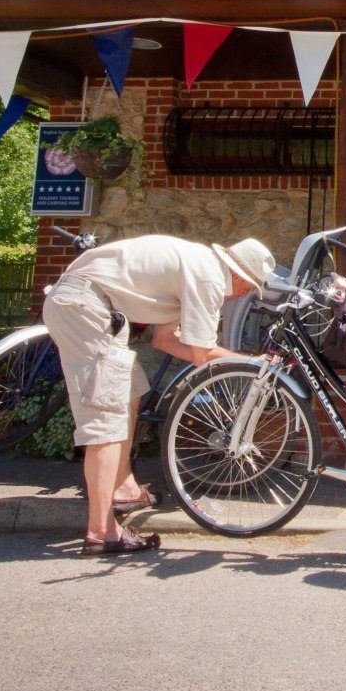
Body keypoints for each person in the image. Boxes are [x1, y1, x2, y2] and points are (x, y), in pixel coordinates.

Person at [41, 232, 275, 555]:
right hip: (85, 307)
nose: (243, 295)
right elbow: (199, 354)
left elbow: (164, 339)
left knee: (131, 391)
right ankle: (101, 531)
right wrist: (252, 362)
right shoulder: (208, 278)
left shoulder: (199, 267)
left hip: (88, 305)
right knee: (107, 421)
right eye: (248, 287)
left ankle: (123, 488)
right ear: (237, 274)